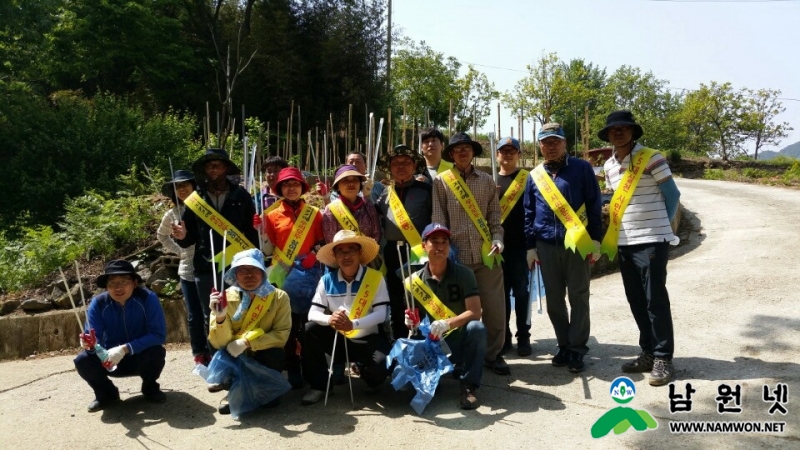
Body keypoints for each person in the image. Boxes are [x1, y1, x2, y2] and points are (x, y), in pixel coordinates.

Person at [600, 110, 681, 386]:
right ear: (608, 135)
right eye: (614, 129)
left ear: (633, 131)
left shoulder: (652, 157)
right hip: (624, 243)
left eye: (624, 128)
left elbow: (673, 195)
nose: (618, 132)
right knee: (636, 301)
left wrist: (660, 227)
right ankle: (648, 352)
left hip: (651, 242)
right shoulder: (609, 166)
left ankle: (663, 357)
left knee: (655, 300)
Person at [523, 123, 603, 373]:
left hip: (577, 245)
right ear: (539, 146)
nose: (551, 146)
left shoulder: (581, 169)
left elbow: (593, 204)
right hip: (546, 245)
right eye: (546, 142)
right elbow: (528, 212)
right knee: (554, 301)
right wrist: (530, 247)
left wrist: (596, 240)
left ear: (565, 143)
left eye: (555, 141)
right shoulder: (534, 176)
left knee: (579, 296)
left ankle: (578, 348)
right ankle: (564, 344)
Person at [432, 132, 508, 376]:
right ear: (451, 154)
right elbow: (438, 219)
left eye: (467, 148)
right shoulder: (442, 181)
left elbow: (495, 219)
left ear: (473, 152)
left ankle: (493, 355)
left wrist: (498, 240)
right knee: (458, 313)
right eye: (457, 149)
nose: (462, 152)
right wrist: (443, 253)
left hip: (487, 256)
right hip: (457, 259)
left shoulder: (486, 182)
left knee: (495, 310)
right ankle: (461, 357)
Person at [171, 148, 259, 334]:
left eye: (218, 165)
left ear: (226, 168)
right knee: (211, 315)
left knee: (240, 311)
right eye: (209, 166)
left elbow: (251, 233)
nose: (213, 169)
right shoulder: (196, 199)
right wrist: (181, 236)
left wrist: (256, 262)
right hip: (206, 266)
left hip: (237, 266)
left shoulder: (241, 195)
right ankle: (216, 358)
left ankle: (239, 356)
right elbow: (189, 239)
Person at [301, 230, 391, 405]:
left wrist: (354, 324)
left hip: (368, 339)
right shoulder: (327, 280)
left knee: (380, 370)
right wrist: (330, 319)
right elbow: (313, 313)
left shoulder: (375, 277)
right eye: (341, 251)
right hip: (338, 340)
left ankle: (365, 371)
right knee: (309, 330)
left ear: (359, 253)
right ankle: (319, 386)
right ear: (335, 256)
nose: (346, 255)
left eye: (351, 250)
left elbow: (382, 314)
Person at [405, 223, 487, 410]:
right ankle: (434, 378)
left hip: (457, 340)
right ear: (424, 245)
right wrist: (411, 322)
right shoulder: (414, 281)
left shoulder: (464, 274)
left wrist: (448, 323)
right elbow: (414, 324)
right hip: (431, 345)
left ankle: (469, 386)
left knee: (477, 329)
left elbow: (475, 311)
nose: (440, 247)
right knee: (407, 389)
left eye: (444, 242)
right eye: (434, 242)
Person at [74, 260, 167, 412]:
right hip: (109, 359)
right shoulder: (98, 303)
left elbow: (158, 335)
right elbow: (92, 336)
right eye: (112, 283)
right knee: (83, 360)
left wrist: (125, 348)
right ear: (106, 286)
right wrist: (90, 346)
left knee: (156, 352)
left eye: (124, 282)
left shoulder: (147, 298)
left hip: (140, 356)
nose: (118, 288)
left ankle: (150, 388)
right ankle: (106, 394)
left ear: (134, 283)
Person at [208, 249, 292, 414]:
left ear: (262, 273)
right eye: (243, 270)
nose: (249, 275)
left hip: (262, 352)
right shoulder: (223, 298)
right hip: (235, 355)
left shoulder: (279, 297)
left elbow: (281, 335)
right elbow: (218, 342)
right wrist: (220, 318)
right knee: (213, 339)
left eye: (254, 269)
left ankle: (265, 387)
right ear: (235, 275)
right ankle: (233, 389)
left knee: (274, 354)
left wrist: (248, 342)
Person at [263, 167, 325, 388]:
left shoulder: (314, 213)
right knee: (287, 325)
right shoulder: (270, 215)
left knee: (309, 325)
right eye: (287, 185)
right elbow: (267, 249)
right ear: (280, 188)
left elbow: (322, 241)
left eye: (295, 184)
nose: (291, 188)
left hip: (310, 273)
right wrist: (259, 230)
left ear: (302, 187)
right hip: (283, 274)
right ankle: (292, 370)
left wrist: (313, 254)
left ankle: (312, 369)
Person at [373, 144, 432, 340]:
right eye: (396, 163)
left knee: (418, 296)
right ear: (389, 167)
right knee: (396, 298)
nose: (401, 166)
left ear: (414, 166)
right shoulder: (384, 193)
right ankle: (399, 340)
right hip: (391, 251)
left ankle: (421, 340)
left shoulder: (426, 189)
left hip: (417, 251)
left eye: (406, 162)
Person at [157, 169, 210, 366]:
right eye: (177, 187)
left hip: (208, 266)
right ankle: (199, 353)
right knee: (194, 315)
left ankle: (214, 350)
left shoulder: (205, 207)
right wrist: (178, 250)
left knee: (211, 312)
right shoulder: (172, 214)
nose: (181, 189)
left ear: (194, 186)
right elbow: (161, 235)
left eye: (185, 185)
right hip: (188, 268)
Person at [495, 137, 532, 357]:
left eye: (512, 151)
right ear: (497, 154)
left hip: (521, 247)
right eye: (503, 151)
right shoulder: (490, 180)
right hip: (498, 248)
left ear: (518, 154)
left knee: (522, 293)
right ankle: (505, 336)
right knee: (501, 296)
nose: (507, 154)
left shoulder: (527, 179)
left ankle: (524, 336)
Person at [322, 164, 382, 244]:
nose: (351, 183)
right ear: (338, 186)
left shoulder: (368, 206)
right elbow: (330, 240)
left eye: (355, 180)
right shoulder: (331, 209)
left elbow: (376, 233)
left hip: (367, 253)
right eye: (345, 180)